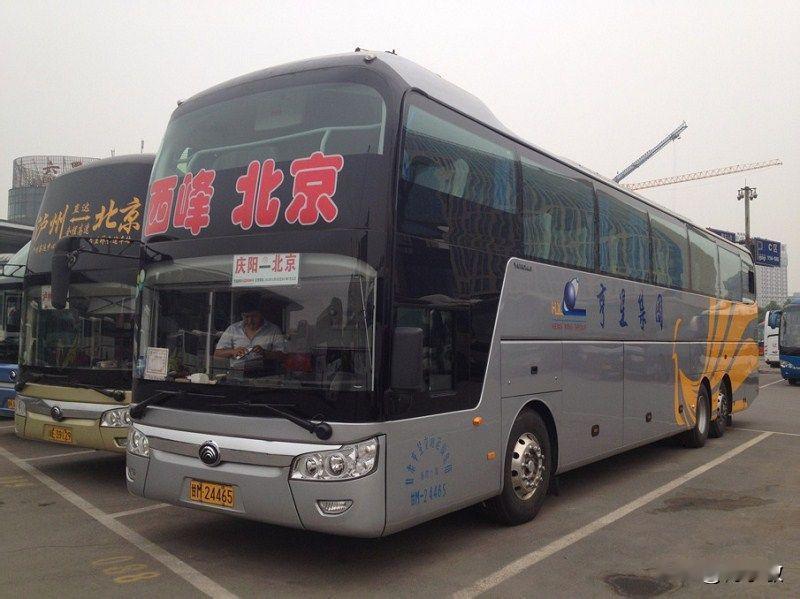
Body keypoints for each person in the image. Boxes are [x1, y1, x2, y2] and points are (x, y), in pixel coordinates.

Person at [213, 293, 285, 362]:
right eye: (246, 317)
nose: (250, 321)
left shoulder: (273, 330)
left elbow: (282, 356)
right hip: (237, 369)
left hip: (264, 370)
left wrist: (265, 353)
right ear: (241, 315)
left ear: (261, 314)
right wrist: (233, 351)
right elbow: (217, 354)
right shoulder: (233, 329)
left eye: (254, 316)